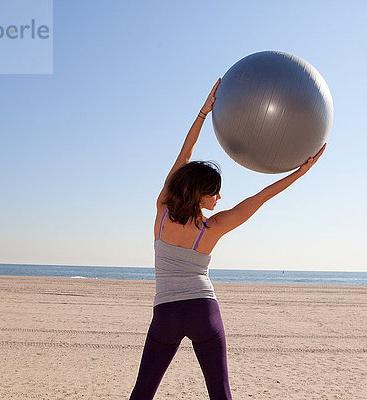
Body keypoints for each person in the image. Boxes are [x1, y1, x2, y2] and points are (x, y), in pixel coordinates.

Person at [130, 79, 326, 400]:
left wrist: (203, 113)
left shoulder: (162, 208)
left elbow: (185, 154)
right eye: (215, 192)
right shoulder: (213, 227)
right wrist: (300, 172)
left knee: (143, 392)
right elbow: (262, 197)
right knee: (221, 394)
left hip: (166, 312)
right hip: (202, 311)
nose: (220, 197)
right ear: (200, 193)